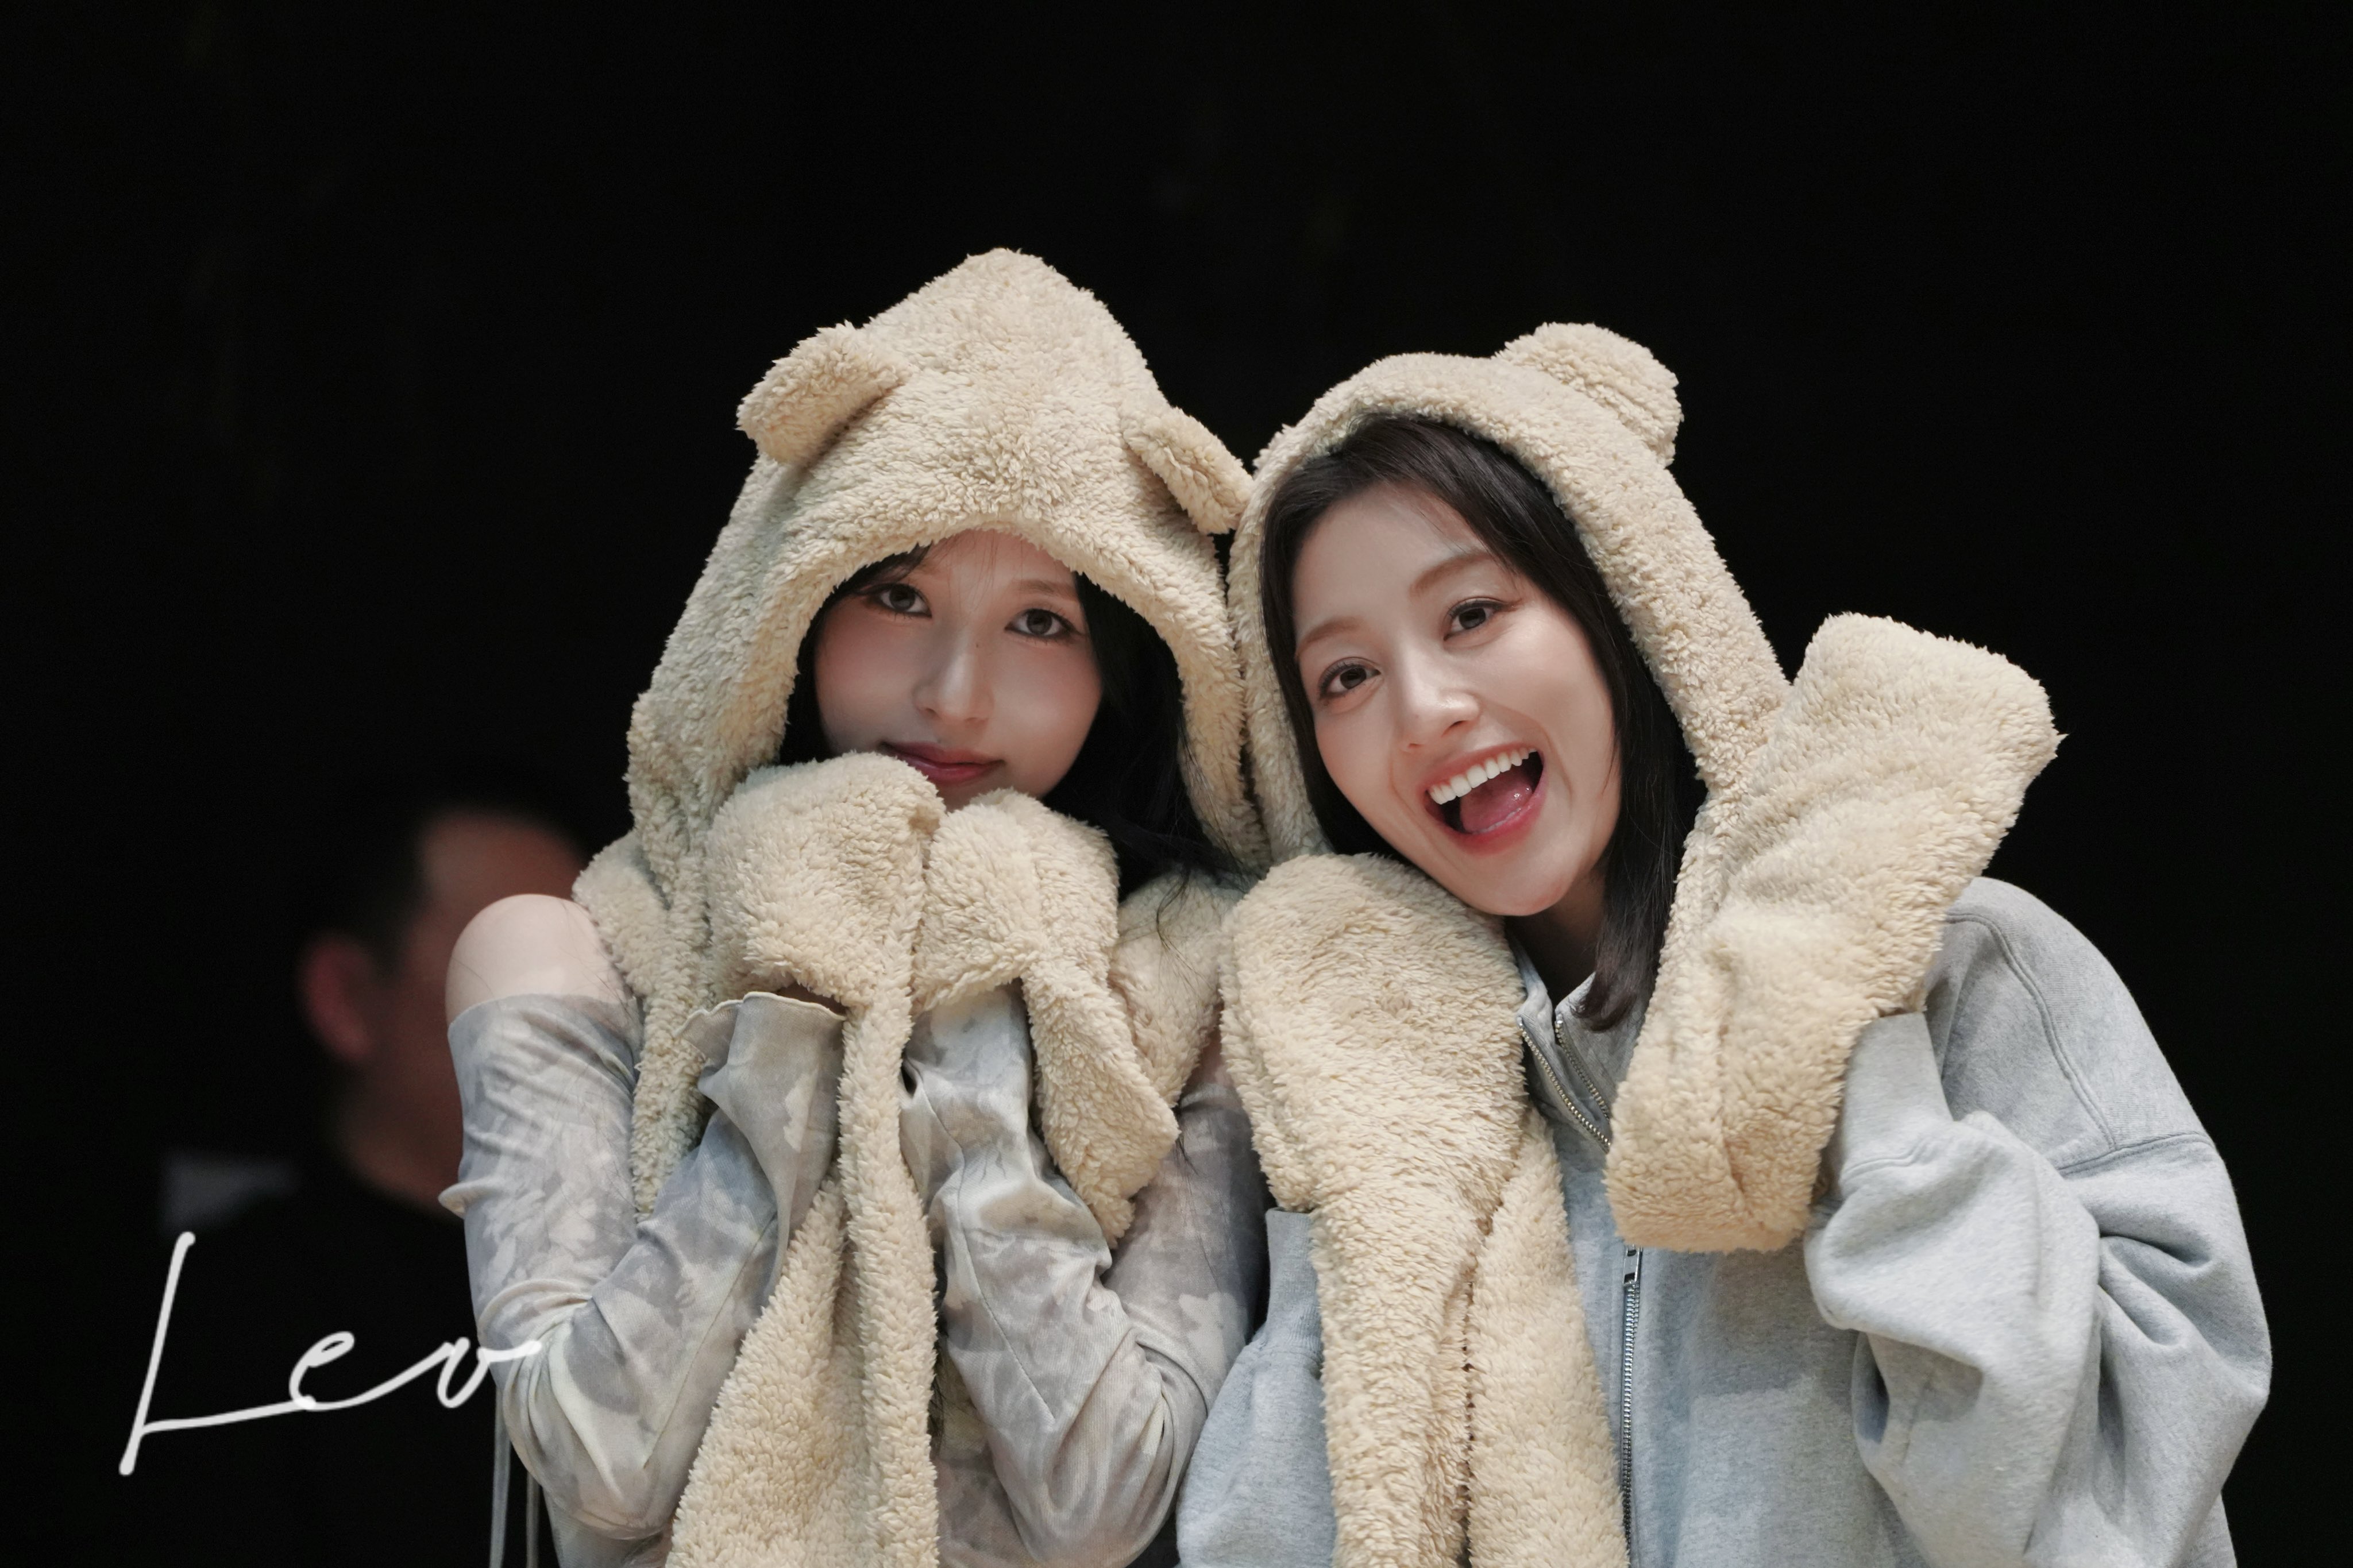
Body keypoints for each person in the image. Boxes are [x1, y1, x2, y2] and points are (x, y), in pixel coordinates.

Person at [1179, 327, 2269, 1567]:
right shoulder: (1359, 1099)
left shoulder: (1964, 967)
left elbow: (2107, 1500)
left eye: (1472, 612)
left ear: (1620, 603)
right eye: (1345, 676)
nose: (1424, 708)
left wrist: (1841, 1020)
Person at [442, 252, 1271, 1568]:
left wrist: (975, 977)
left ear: (1128, 662)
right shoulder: (570, 954)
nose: (954, 692)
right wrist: (800, 1000)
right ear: (791, 600)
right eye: (899, 596)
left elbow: (1107, 1505)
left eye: (1043, 624)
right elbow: (597, 1465)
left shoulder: (1199, 981)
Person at [132, 790, 585, 1567]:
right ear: (345, 997)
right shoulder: (226, 1320)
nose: (581, 1020)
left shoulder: (636, 1282)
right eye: (517, 970)